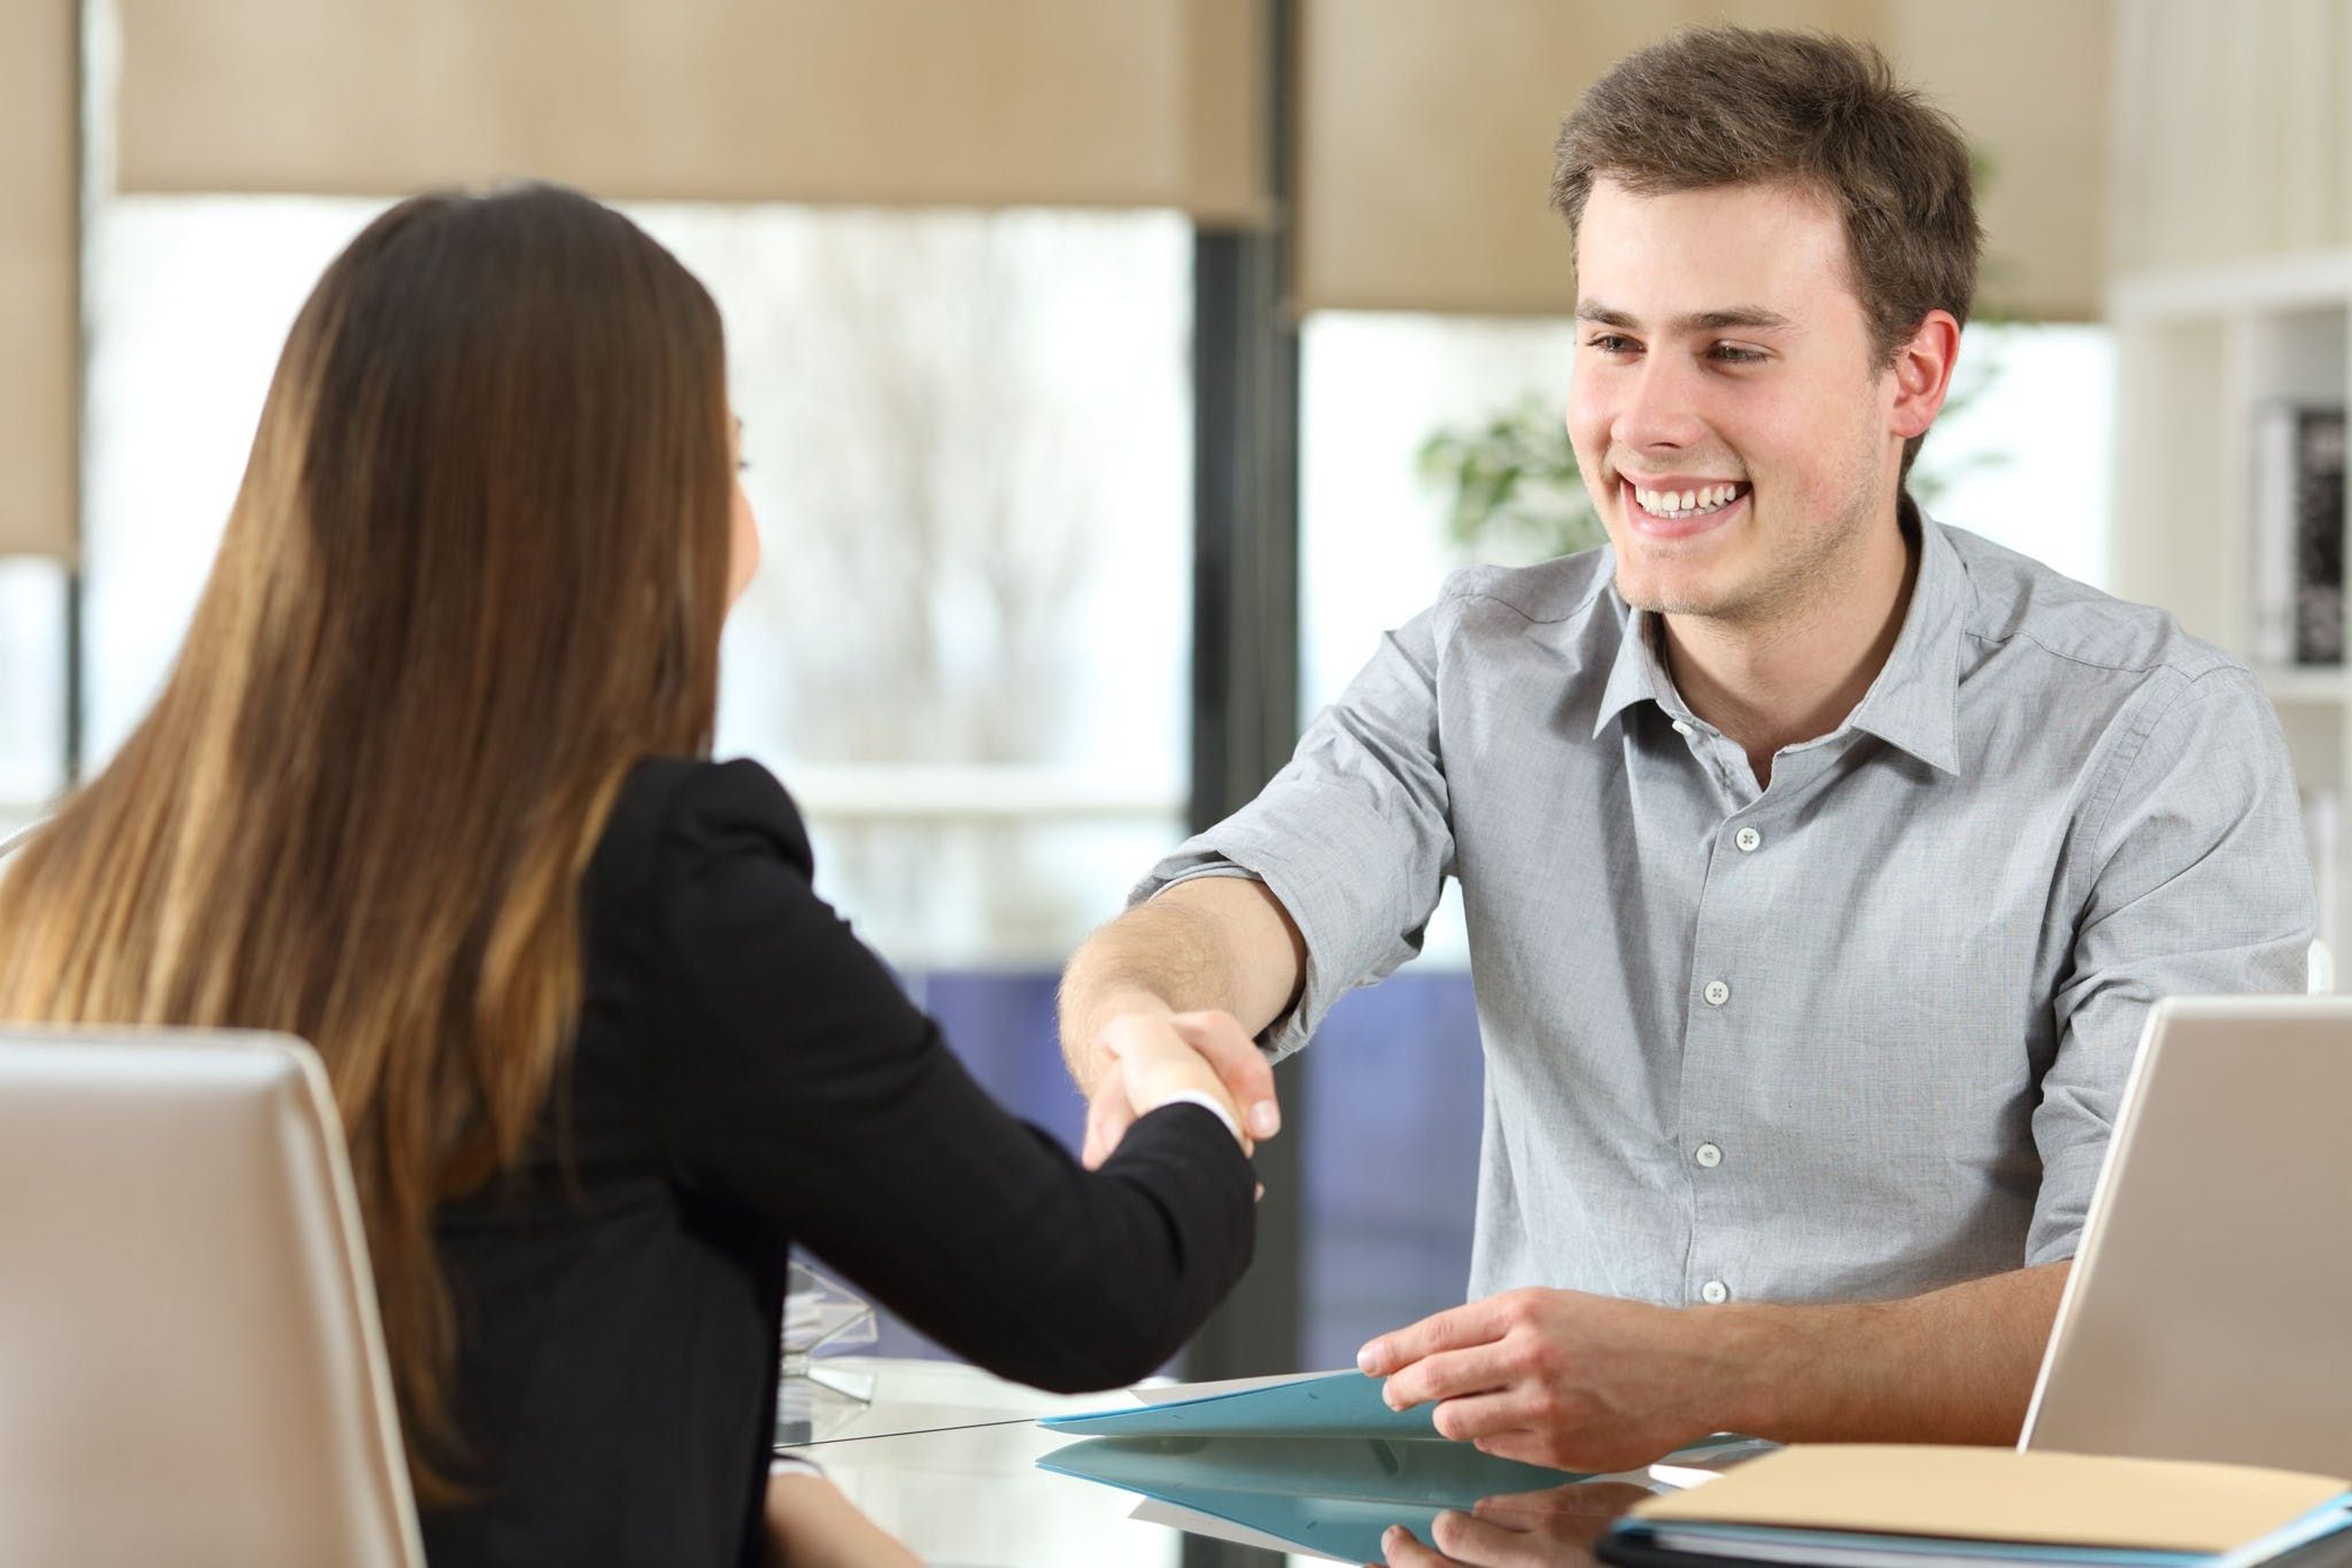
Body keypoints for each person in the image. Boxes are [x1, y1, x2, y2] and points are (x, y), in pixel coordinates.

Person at [1059, 24, 2314, 1482]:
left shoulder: (2150, 738)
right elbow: (1241, 905)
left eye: (1730, 350)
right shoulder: (1477, 666)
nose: (1644, 424)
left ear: (1913, 374)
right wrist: (1146, 1014)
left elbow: (2140, 1324)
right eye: (1610, 340)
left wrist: (1703, 1377)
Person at [0, 183, 1264, 1568]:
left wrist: (753, 1496)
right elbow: (1094, 1289)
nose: (748, 538)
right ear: (610, 523)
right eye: (724, 467)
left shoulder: (66, 892)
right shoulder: (654, 891)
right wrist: (1184, 1086)